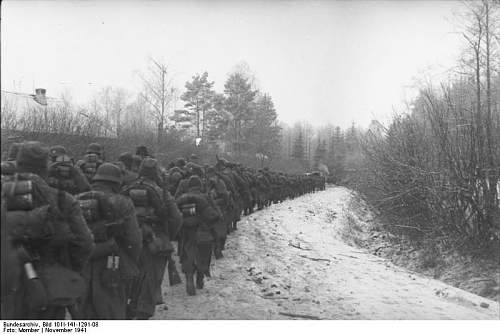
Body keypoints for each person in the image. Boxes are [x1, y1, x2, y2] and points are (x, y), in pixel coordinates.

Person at [2, 141, 94, 319]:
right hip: (49, 283)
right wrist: (66, 269)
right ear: (46, 168)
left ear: (18, 164)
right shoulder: (63, 199)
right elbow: (85, 243)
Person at [77, 163, 142, 319]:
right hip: (113, 264)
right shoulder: (122, 202)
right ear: (116, 182)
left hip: (83, 265)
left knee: (84, 313)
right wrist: (132, 262)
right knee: (113, 311)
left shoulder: (76, 199)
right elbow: (134, 238)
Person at [123, 158, 182, 319]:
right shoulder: (161, 191)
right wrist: (168, 235)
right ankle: (142, 312)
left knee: (130, 276)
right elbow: (176, 218)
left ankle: (129, 307)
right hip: (155, 240)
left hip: (128, 239)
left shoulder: (127, 187)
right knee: (151, 279)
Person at [176, 176, 220, 295]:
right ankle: (200, 278)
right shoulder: (205, 197)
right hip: (203, 232)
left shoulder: (181, 198)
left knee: (187, 255)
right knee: (204, 256)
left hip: (186, 233)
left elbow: (175, 215)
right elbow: (215, 215)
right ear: (200, 186)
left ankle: (189, 278)